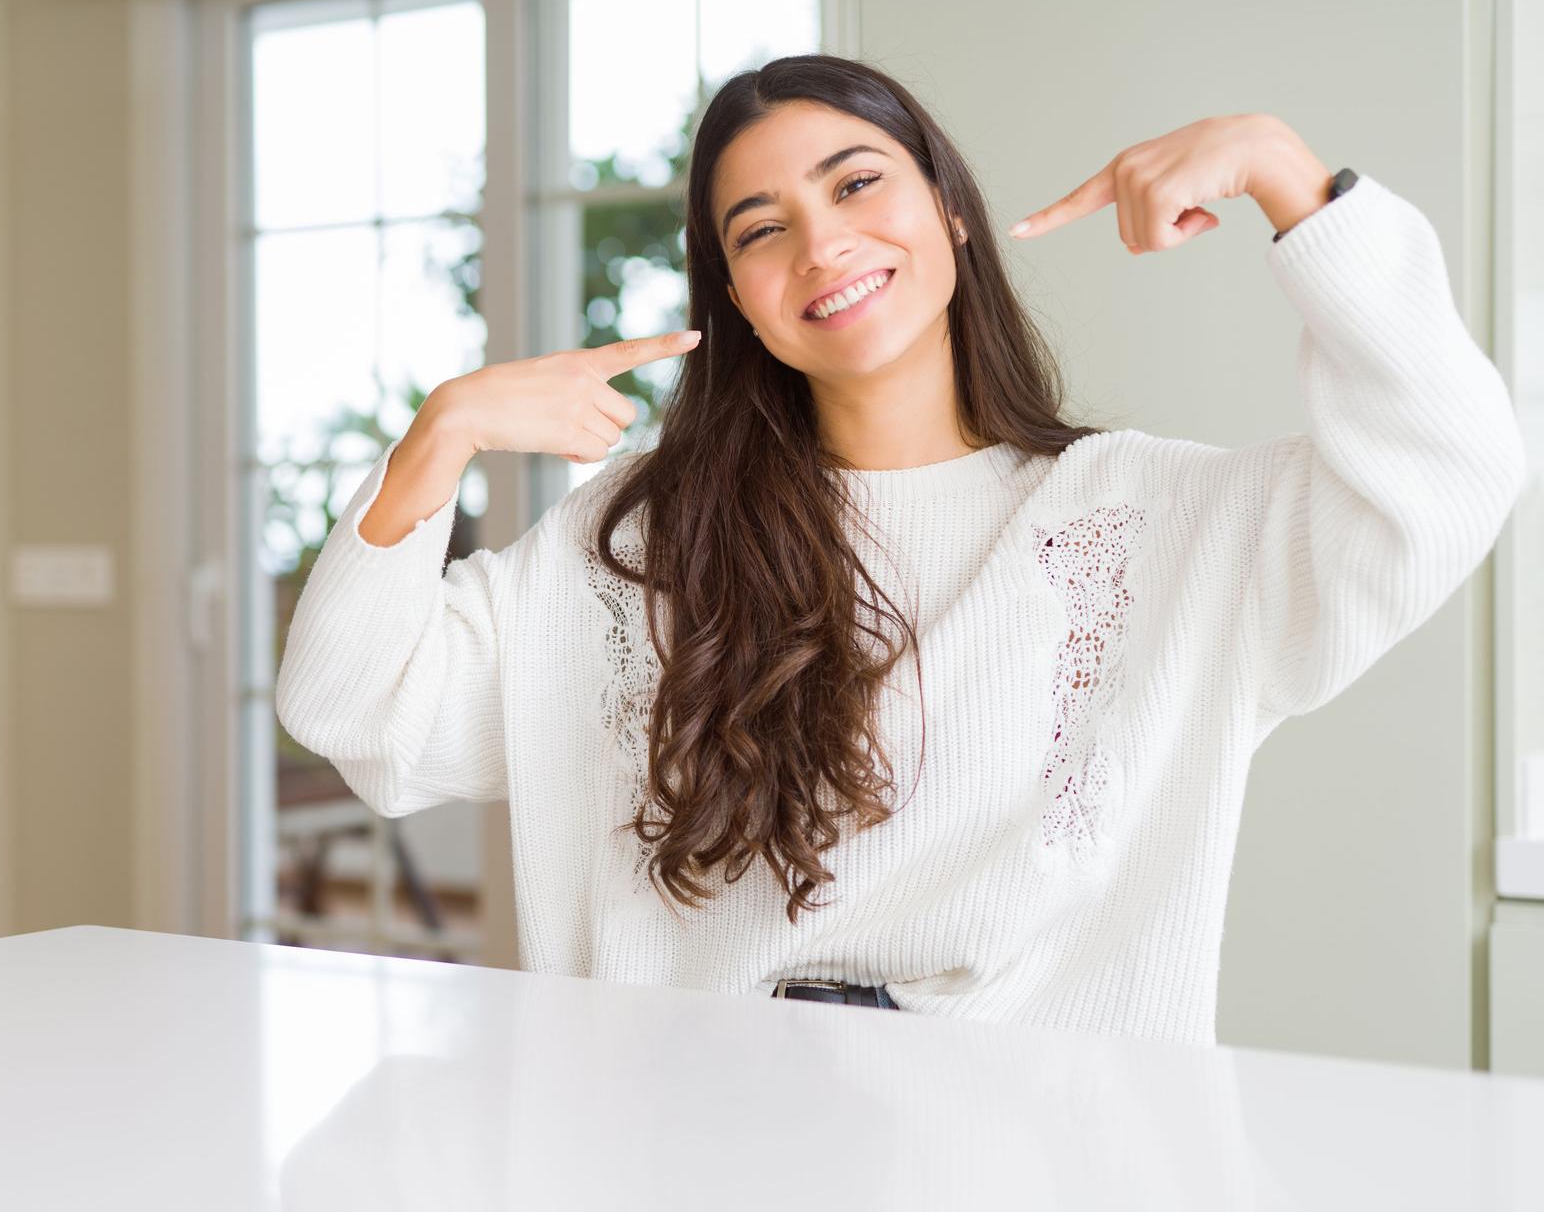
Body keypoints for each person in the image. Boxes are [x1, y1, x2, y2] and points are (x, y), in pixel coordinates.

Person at [274, 53, 1527, 1044]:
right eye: (759, 229)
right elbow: (358, 712)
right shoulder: (645, 547)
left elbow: (1448, 469)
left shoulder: (1161, 522)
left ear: (951, 209)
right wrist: (433, 447)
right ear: (737, 301)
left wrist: (1288, 180)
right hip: (678, 1151)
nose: (820, 244)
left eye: (857, 182)